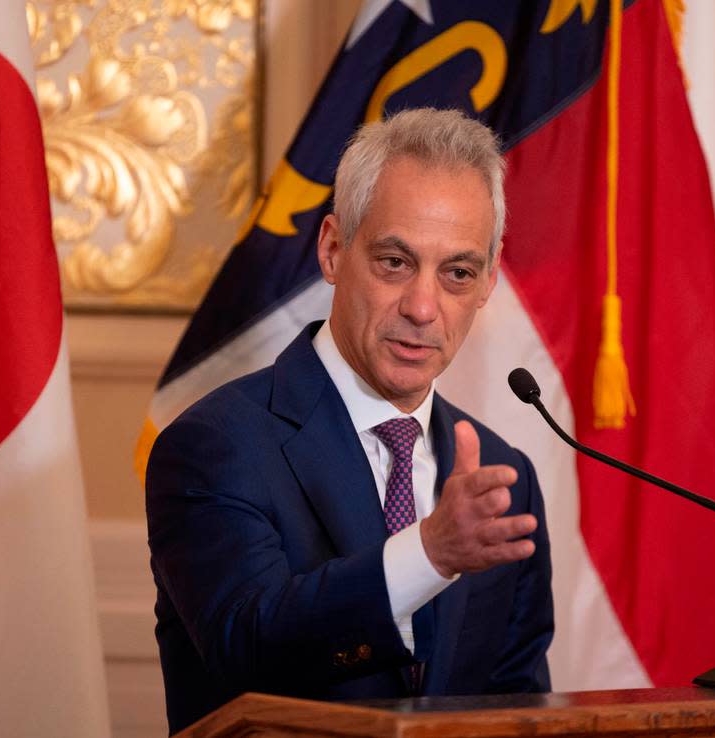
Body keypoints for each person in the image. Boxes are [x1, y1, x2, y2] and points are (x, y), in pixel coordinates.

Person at [146, 108, 553, 734]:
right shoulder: (215, 445)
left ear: (488, 282)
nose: (423, 308)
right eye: (395, 261)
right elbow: (245, 652)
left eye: (457, 273)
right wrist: (429, 553)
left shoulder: (506, 481)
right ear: (334, 250)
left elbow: (520, 712)